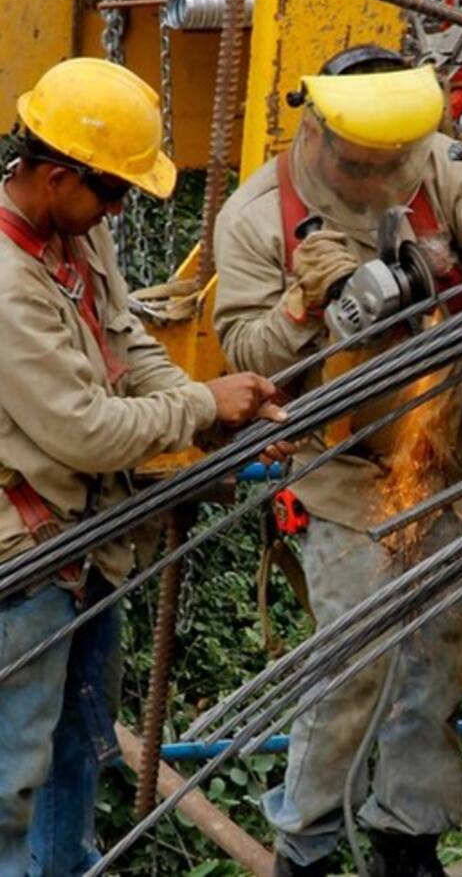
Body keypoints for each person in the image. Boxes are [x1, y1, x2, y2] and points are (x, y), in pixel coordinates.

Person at [213, 46, 462, 877]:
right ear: (321, 135)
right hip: (345, 470)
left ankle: (408, 839)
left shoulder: (430, 162)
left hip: (446, 451)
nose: (380, 180)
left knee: (441, 657)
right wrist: (306, 301)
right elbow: (245, 356)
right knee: (350, 667)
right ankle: (307, 848)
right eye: (363, 165)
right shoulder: (256, 217)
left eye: (391, 164)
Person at [0, 58, 289, 877]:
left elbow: (128, 346)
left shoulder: (74, 233)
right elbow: (86, 430)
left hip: (84, 543)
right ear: (55, 176)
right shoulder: (7, 285)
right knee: (7, 778)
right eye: (113, 193)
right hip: (24, 563)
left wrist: (206, 401)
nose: (119, 211)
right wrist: (204, 407)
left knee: (77, 744)